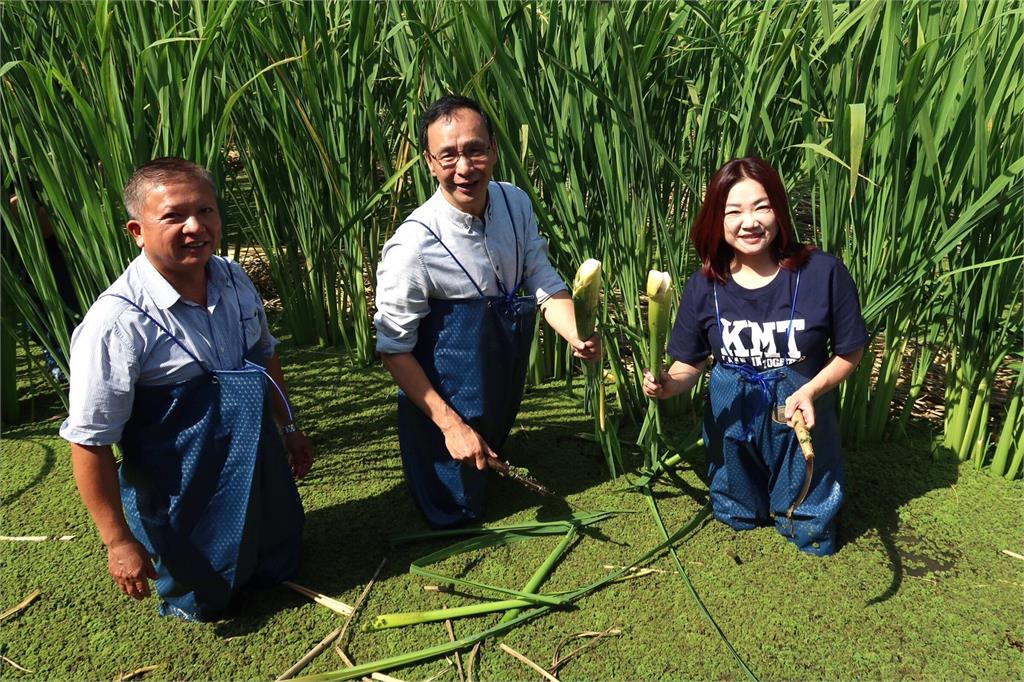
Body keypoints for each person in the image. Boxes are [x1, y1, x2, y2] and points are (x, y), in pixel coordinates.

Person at [59, 157, 312, 620]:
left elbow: (262, 354)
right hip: (180, 482)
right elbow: (90, 441)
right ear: (137, 230)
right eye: (174, 216)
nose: (196, 227)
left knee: (279, 556)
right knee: (207, 594)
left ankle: (267, 551)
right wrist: (118, 541)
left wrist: (288, 425)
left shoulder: (232, 276)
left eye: (206, 211)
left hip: (256, 455)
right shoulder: (116, 323)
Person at [374, 95, 600, 528]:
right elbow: (394, 349)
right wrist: (450, 425)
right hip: (441, 397)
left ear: (494, 149)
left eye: (475, 150)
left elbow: (544, 284)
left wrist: (577, 333)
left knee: (489, 461)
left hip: (499, 377)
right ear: (429, 162)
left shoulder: (515, 204)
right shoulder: (413, 246)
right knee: (453, 511)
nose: (464, 167)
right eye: (448, 155)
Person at [643, 157, 867, 556]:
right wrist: (665, 383)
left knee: (809, 529)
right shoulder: (704, 286)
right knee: (736, 517)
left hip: (799, 415)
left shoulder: (822, 272)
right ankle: (744, 500)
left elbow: (851, 351)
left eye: (762, 207)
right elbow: (689, 366)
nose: (750, 222)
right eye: (735, 211)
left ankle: (799, 512)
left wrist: (811, 390)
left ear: (779, 210)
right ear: (717, 219)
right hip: (733, 419)